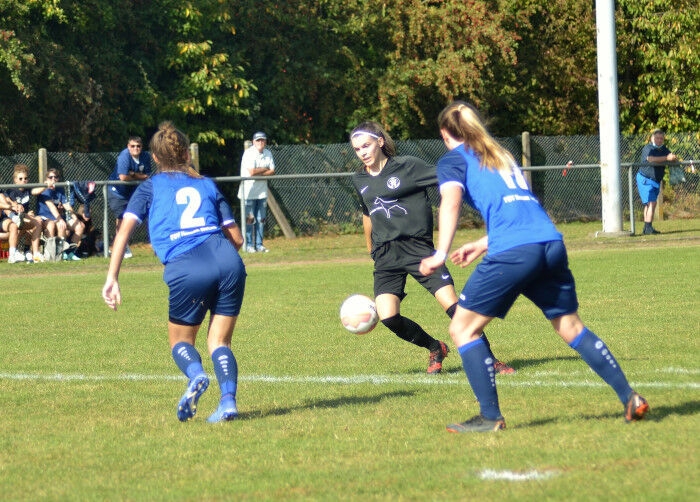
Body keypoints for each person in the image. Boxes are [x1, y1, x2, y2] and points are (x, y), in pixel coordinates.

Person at [419, 102, 649, 432]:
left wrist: (440, 252)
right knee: (569, 325)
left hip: (515, 250)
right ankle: (630, 397)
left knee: (462, 329)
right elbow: (522, 205)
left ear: (444, 134)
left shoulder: (453, 160)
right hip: (549, 243)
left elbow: (450, 203)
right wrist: (483, 243)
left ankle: (490, 417)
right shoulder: (501, 155)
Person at [102, 121, 247, 423]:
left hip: (186, 266)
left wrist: (112, 278)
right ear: (186, 154)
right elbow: (238, 239)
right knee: (219, 342)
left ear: (154, 159)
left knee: (181, 342)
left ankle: (195, 375)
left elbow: (123, 233)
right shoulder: (206, 184)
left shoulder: (149, 187)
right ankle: (228, 402)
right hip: (228, 262)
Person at [350, 121, 513, 375]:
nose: (362, 152)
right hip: (386, 256)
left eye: (366, 145)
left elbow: (450, 179)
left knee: (454, 308)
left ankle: (490, 359)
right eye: (357, 149)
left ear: (380, 142)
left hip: (419, 249)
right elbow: (367, 213)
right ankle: (435, 347)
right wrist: (370, 247)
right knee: (388, 317)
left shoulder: (408, 166)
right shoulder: (359, 178)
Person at [108, 135, 152, 258]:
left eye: (138, 146)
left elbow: (146, 176)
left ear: (142, 147)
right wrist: (138, 176)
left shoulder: (145, 156)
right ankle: (122, 248)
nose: (135, 148)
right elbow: (123, 177)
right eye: (132, 146)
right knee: (121, 218)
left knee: (132, 218)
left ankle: (124, 245)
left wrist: (133, 174)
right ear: (128, 146)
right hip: (117, 191)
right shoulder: (124, 156)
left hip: (133, 192)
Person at [35, 168, 85, 261]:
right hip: (47, 217)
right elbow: (52, 207)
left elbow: (67, 206)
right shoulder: (45, 189)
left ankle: (70, 253)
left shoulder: (60, 189)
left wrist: (75, 219)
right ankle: (58, 254)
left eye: (56, 177)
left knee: (80, 226)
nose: (53, 179)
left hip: (58, 217)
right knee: (60, 225)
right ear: (46, 179)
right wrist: (60, 219)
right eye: (50, 177)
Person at [237, 131, 275, 253]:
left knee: (261, 219)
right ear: (253, 142)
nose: (260, 142)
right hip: (248, 192)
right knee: (250, 219)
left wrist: (262, 171)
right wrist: (265, 169)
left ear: (265, 142)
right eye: (258, 140)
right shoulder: (248, 153)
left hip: (262, 192)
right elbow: (251, 172)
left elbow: (272, 171)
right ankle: (248, 245)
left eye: (262, 140)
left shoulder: (268, 153)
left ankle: (259, 245)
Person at [636, 128, 677, 235]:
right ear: (652, 138)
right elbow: (650, 159)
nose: (659, 140)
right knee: (652, 202)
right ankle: (648, 228)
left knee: (648, 204)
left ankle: (646, 228)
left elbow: (670, 156)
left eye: (661, 138)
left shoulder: (664, 149)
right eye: (657, 138)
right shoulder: (648, 148)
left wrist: (673, 157)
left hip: (655, 181)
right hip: (645, 179)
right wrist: (666, 158)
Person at [3, 164, 44, 262]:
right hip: (11, 218)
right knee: (18, 226)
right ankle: (16, 252)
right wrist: (15, 205)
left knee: (37, 223)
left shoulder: (27, 189)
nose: (23, 181)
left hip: (23, 217)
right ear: (15, 180)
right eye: (20, 179)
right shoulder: (11, 190)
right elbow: (7, 202)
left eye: (25, 178)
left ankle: (35, 254)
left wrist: (46, 185)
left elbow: (35, 191)